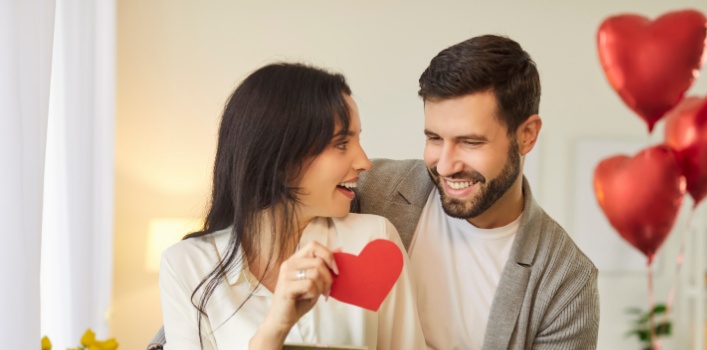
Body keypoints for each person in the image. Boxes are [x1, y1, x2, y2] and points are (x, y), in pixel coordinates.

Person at [353, 35, 600, 349]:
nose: (444, 165)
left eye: (470, 142)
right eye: (435, 138)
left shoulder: (566, 281)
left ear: (526, 135)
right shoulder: (368, 191)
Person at [159, 63, 425, 350]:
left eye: (357, 140)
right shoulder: (187, 265)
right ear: (280, 157)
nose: (364, 163)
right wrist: (276, 327)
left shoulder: (374, 237)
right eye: (341, 144)